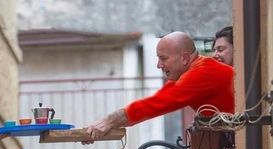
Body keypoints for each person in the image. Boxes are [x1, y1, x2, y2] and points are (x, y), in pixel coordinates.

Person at [85, 31, 234, 142]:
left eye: (163, 59)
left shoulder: (200, 73)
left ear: (185, 58)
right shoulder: (195, 70)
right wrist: (106, 124)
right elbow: (155, 101)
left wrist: (108, 122)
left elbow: (153, 105)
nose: (159, 65)